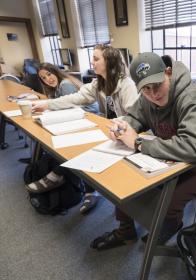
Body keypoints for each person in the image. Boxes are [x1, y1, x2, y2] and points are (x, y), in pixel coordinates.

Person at [90, 52, 196, 250]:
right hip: (172, 159)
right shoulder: (147, 96)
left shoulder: (192, 98)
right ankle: (125, 230)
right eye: (146, 89)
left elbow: (192, 148)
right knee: (126, 177)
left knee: (168, 199)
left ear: (168, 73)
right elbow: (136, 117)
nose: (154, 94)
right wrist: (123, 126)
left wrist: (138, 143)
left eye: (158, 85)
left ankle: (172, 224)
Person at [29, 45, 138, 214]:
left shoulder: (126, 84)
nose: (92, 62)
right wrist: (47, 104)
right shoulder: (99, 82)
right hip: (109, 130)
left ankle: (63, 178)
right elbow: (76, 98)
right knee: (74, 146)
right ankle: (86, 188)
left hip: (124, 134)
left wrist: (114, 123)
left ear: (108, 61)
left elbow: (135, 117)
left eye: (96, 59)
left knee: (85, 150)